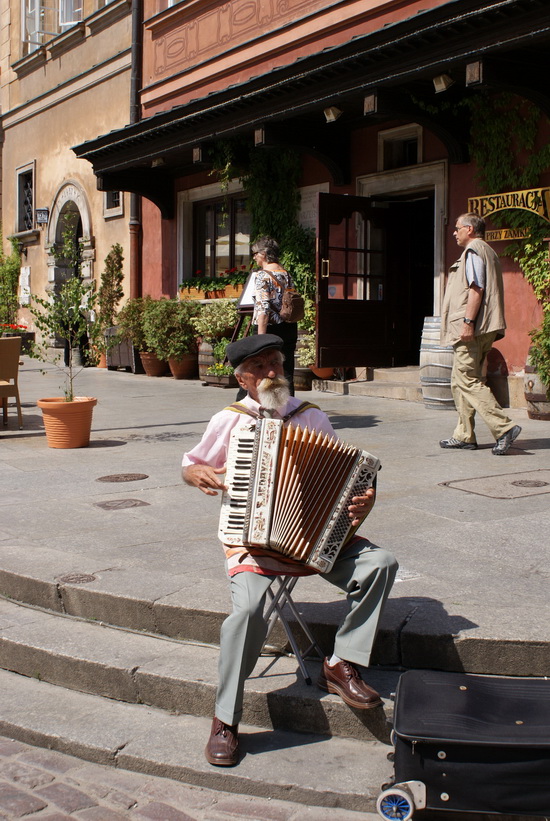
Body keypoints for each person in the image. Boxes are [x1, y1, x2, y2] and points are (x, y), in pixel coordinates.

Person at [182, 334, 398, 767]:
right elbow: (191, 464)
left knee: (380, 563)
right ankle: (225, 720)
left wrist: (365, 498)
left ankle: (340, 663)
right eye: (259, 367)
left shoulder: (311, 416)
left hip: (313, 538)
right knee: (246, 614)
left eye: (275, 363)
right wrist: (199, 473)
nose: (270, 373)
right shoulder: (230, 420)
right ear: (242, 378)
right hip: (251, 543)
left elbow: (350, 476)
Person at [440, 213, 521, 455]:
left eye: (457, 228)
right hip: (483, 327)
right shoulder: (488, 251)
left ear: (469, 229)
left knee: (467, 379)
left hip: (472, 328)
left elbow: (476, 289)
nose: (454, 233)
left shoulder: (474, 250)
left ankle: (504, 428)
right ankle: (464, 435)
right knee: (460, 380)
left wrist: (467, 323)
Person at [236, 236, 298, 400]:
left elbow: (263, 309)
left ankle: (250, 405)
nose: (254, 257)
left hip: (269, 329)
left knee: (259, 369)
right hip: (289, 327)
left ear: (263, 254)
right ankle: (287, 409)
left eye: (255, 253)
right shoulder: (286, 274)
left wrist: (260, 339)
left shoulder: (263, 276)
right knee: (286, 370)